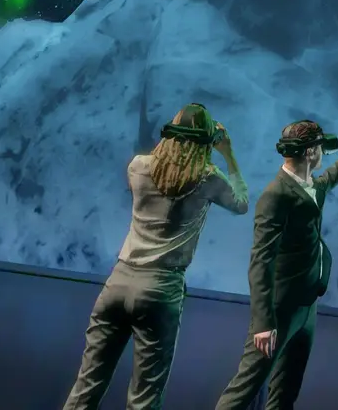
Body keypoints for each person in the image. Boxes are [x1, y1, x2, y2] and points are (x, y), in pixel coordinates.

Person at [62, 103, 249, 410]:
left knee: (87, 385)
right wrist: (227, 153)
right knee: (144, 396)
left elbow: (165, 167)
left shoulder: (137, 166)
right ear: (207, 139)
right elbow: (241, 203)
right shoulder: (207, 178)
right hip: (161, 288)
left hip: (119, 281)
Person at [216, 120, 338, 410]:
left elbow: (324, 183)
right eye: (320, 148)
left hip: (306, 306)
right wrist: (263, 322)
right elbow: (261, 260)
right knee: (244, 389)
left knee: (286, 393)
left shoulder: (307, 185)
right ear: (310, 153)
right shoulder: (276, 196)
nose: (324, 153)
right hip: (280, 310)